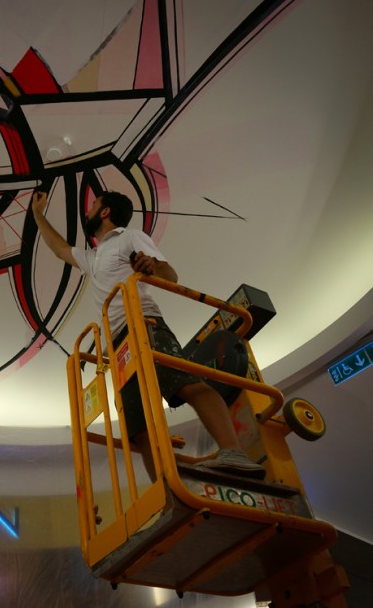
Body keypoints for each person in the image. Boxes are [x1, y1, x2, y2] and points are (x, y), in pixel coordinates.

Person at [31, 189, 266, 481]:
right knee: (137, 424)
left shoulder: (129, 237)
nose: (87, 211)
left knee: (184, 384)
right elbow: (60, 249)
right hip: (118, 346)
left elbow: (170, 276)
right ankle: (168, 489)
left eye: (93, 205)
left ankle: (234, 452)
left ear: (105, 211)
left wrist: (151, 266)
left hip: (143, 324)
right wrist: (38, 214)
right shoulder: (94, 257)